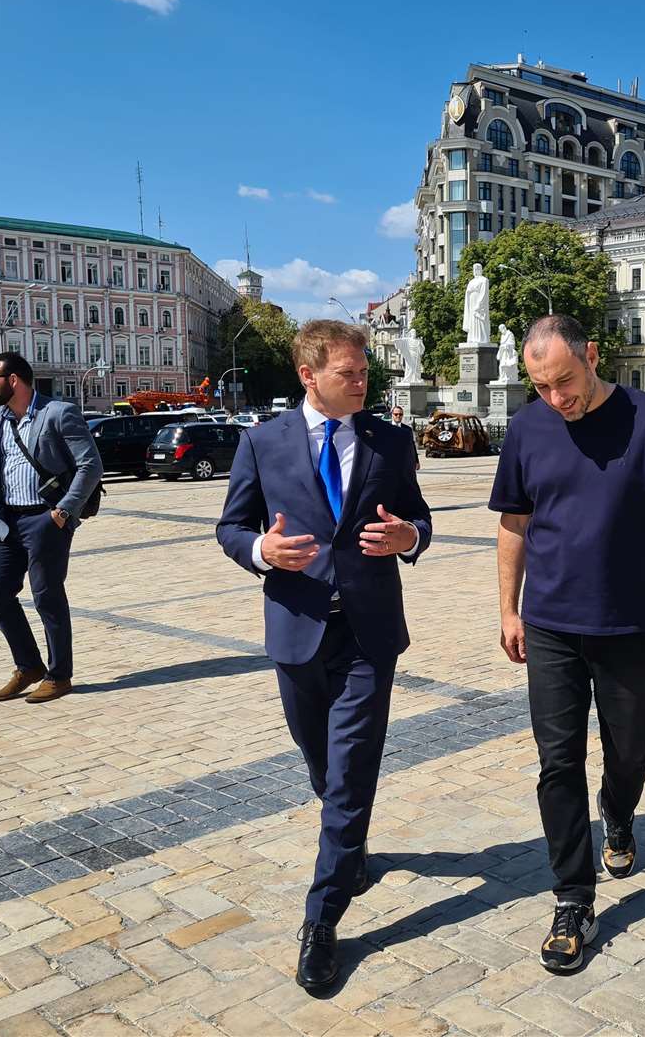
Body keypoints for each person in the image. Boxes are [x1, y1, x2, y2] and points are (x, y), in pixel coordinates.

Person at [217, 320, 432, 992]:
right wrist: (260, 552)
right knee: (322, 766)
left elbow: (419, 517)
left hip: (368, 635)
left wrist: (409, 536)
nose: (363, 380)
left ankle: (322, 920)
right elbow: (230, 525)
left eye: (365, 370)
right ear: (309, 376)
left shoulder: (390, 440)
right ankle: (350, 845)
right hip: (297, 631)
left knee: (349, 775)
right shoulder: (263, 441)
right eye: (349, 372)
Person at [489, 314, 645, 973]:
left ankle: (619, 809)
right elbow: (514, 523)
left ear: (592, 354)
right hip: (551, 624)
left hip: (628, 624)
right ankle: (573, 899)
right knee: (557, 763)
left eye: (565, 381)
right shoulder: (527, 428)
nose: (557, 398)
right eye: (542, 386)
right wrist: (508, 610)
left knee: (632, 745)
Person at [0, 352, 103, 704]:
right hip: (5, 521)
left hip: (45, 519)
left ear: (13, 380)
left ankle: (59, 675)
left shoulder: (57, 413)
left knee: (46, 596)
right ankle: (28, 665)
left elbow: (90, 464)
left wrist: (62, 513)